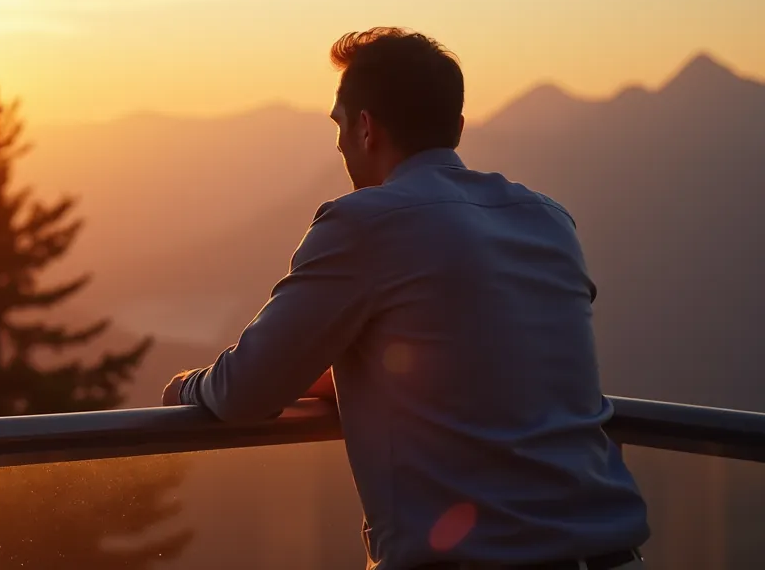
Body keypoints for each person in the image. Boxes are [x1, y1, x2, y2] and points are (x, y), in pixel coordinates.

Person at [161, 28, 650, 570]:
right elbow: (477, 362)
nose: (340, 143)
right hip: (612, 557)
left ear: (365, 128)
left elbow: (242, 393)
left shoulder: (365, 223)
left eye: (340, 125)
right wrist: (340, 378)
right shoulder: (549, 219)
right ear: (456, 129)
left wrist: (187, 386)